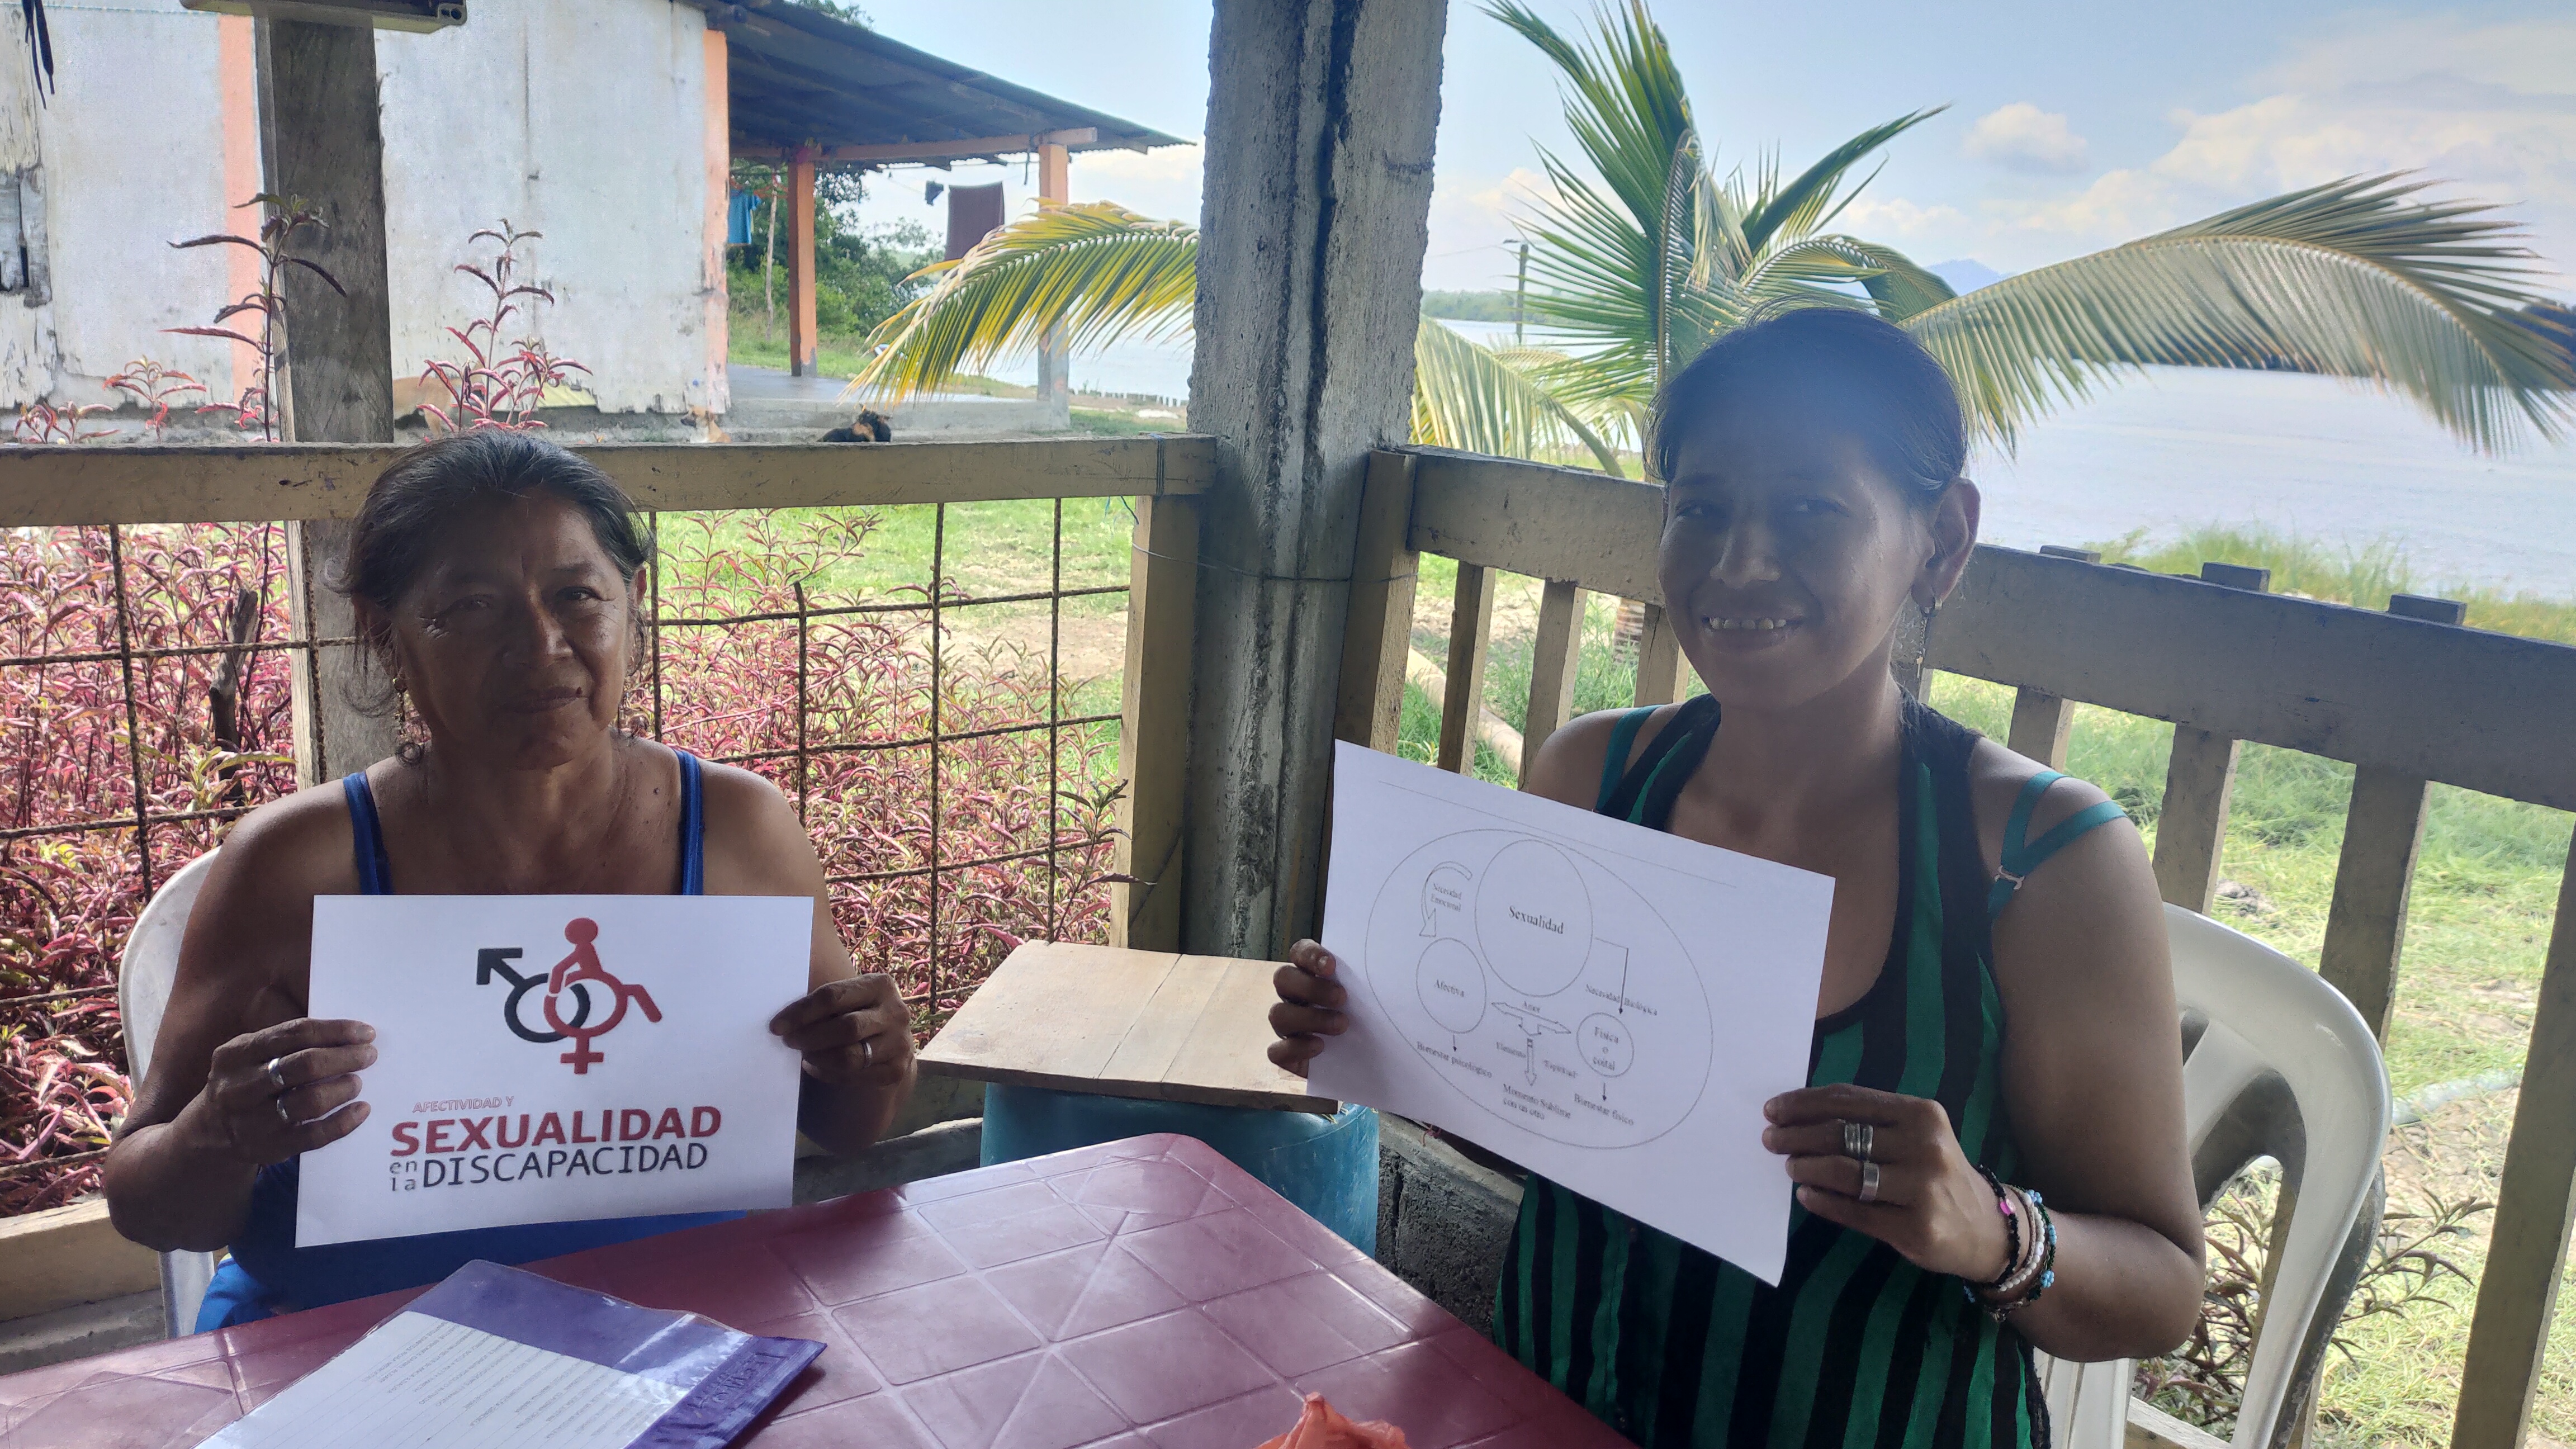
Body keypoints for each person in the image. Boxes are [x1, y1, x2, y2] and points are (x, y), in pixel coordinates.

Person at [1269, 309, 2203, 1447]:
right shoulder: (1597, 780)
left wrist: (1991, 1229)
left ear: (1942, 542)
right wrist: (1397, 1037)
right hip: (1549, 1414)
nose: (1740, 563)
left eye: (1811, 510)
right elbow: (1549, 1133)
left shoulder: (2034, 862)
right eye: (1701, 509)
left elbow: (2163, 1288)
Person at [103, 432, 916, 1328]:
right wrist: (219, 1133)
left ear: (634, 605)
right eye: (473, 607)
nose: (540, 645)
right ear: (385, 634)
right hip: (347, 1343)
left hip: (672, 1337)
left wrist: (871, 1056)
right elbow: (147, 1204)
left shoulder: (737, 832)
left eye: (578, 596)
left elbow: (849, 1125)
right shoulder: (295, 868)